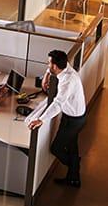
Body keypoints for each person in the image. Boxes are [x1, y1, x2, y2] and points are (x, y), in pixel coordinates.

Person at [25, 50, 86, 188]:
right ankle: (74, 179)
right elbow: (52, 68)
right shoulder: (65, 68)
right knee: (72, 147)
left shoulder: (67, 82)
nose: (48, 65)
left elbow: (58, 103)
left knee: (56, 149)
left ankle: (74, 167)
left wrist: (42, 119)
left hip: (73, 120)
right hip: (75, 116)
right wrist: (47, 75)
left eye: (49, 63)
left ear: (55, 66)